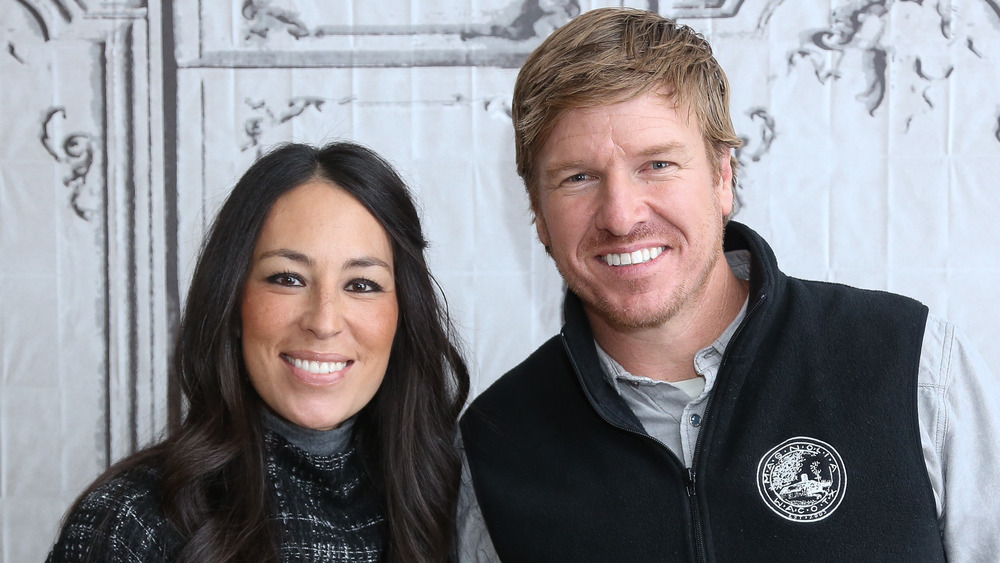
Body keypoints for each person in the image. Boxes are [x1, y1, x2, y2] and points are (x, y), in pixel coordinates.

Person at [457, 7, 1000, 561]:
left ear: (723, 177)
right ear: (538, 212)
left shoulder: (912, 365)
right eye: (578, 177)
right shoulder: (496, 447)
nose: (620, 216)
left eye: (658, 165)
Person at [47, 141, 470, 562]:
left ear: (403, 314)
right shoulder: (130, 522)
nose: (323, 322)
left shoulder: (459, 501)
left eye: (361, 285)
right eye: (287, 278)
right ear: (232, 303)